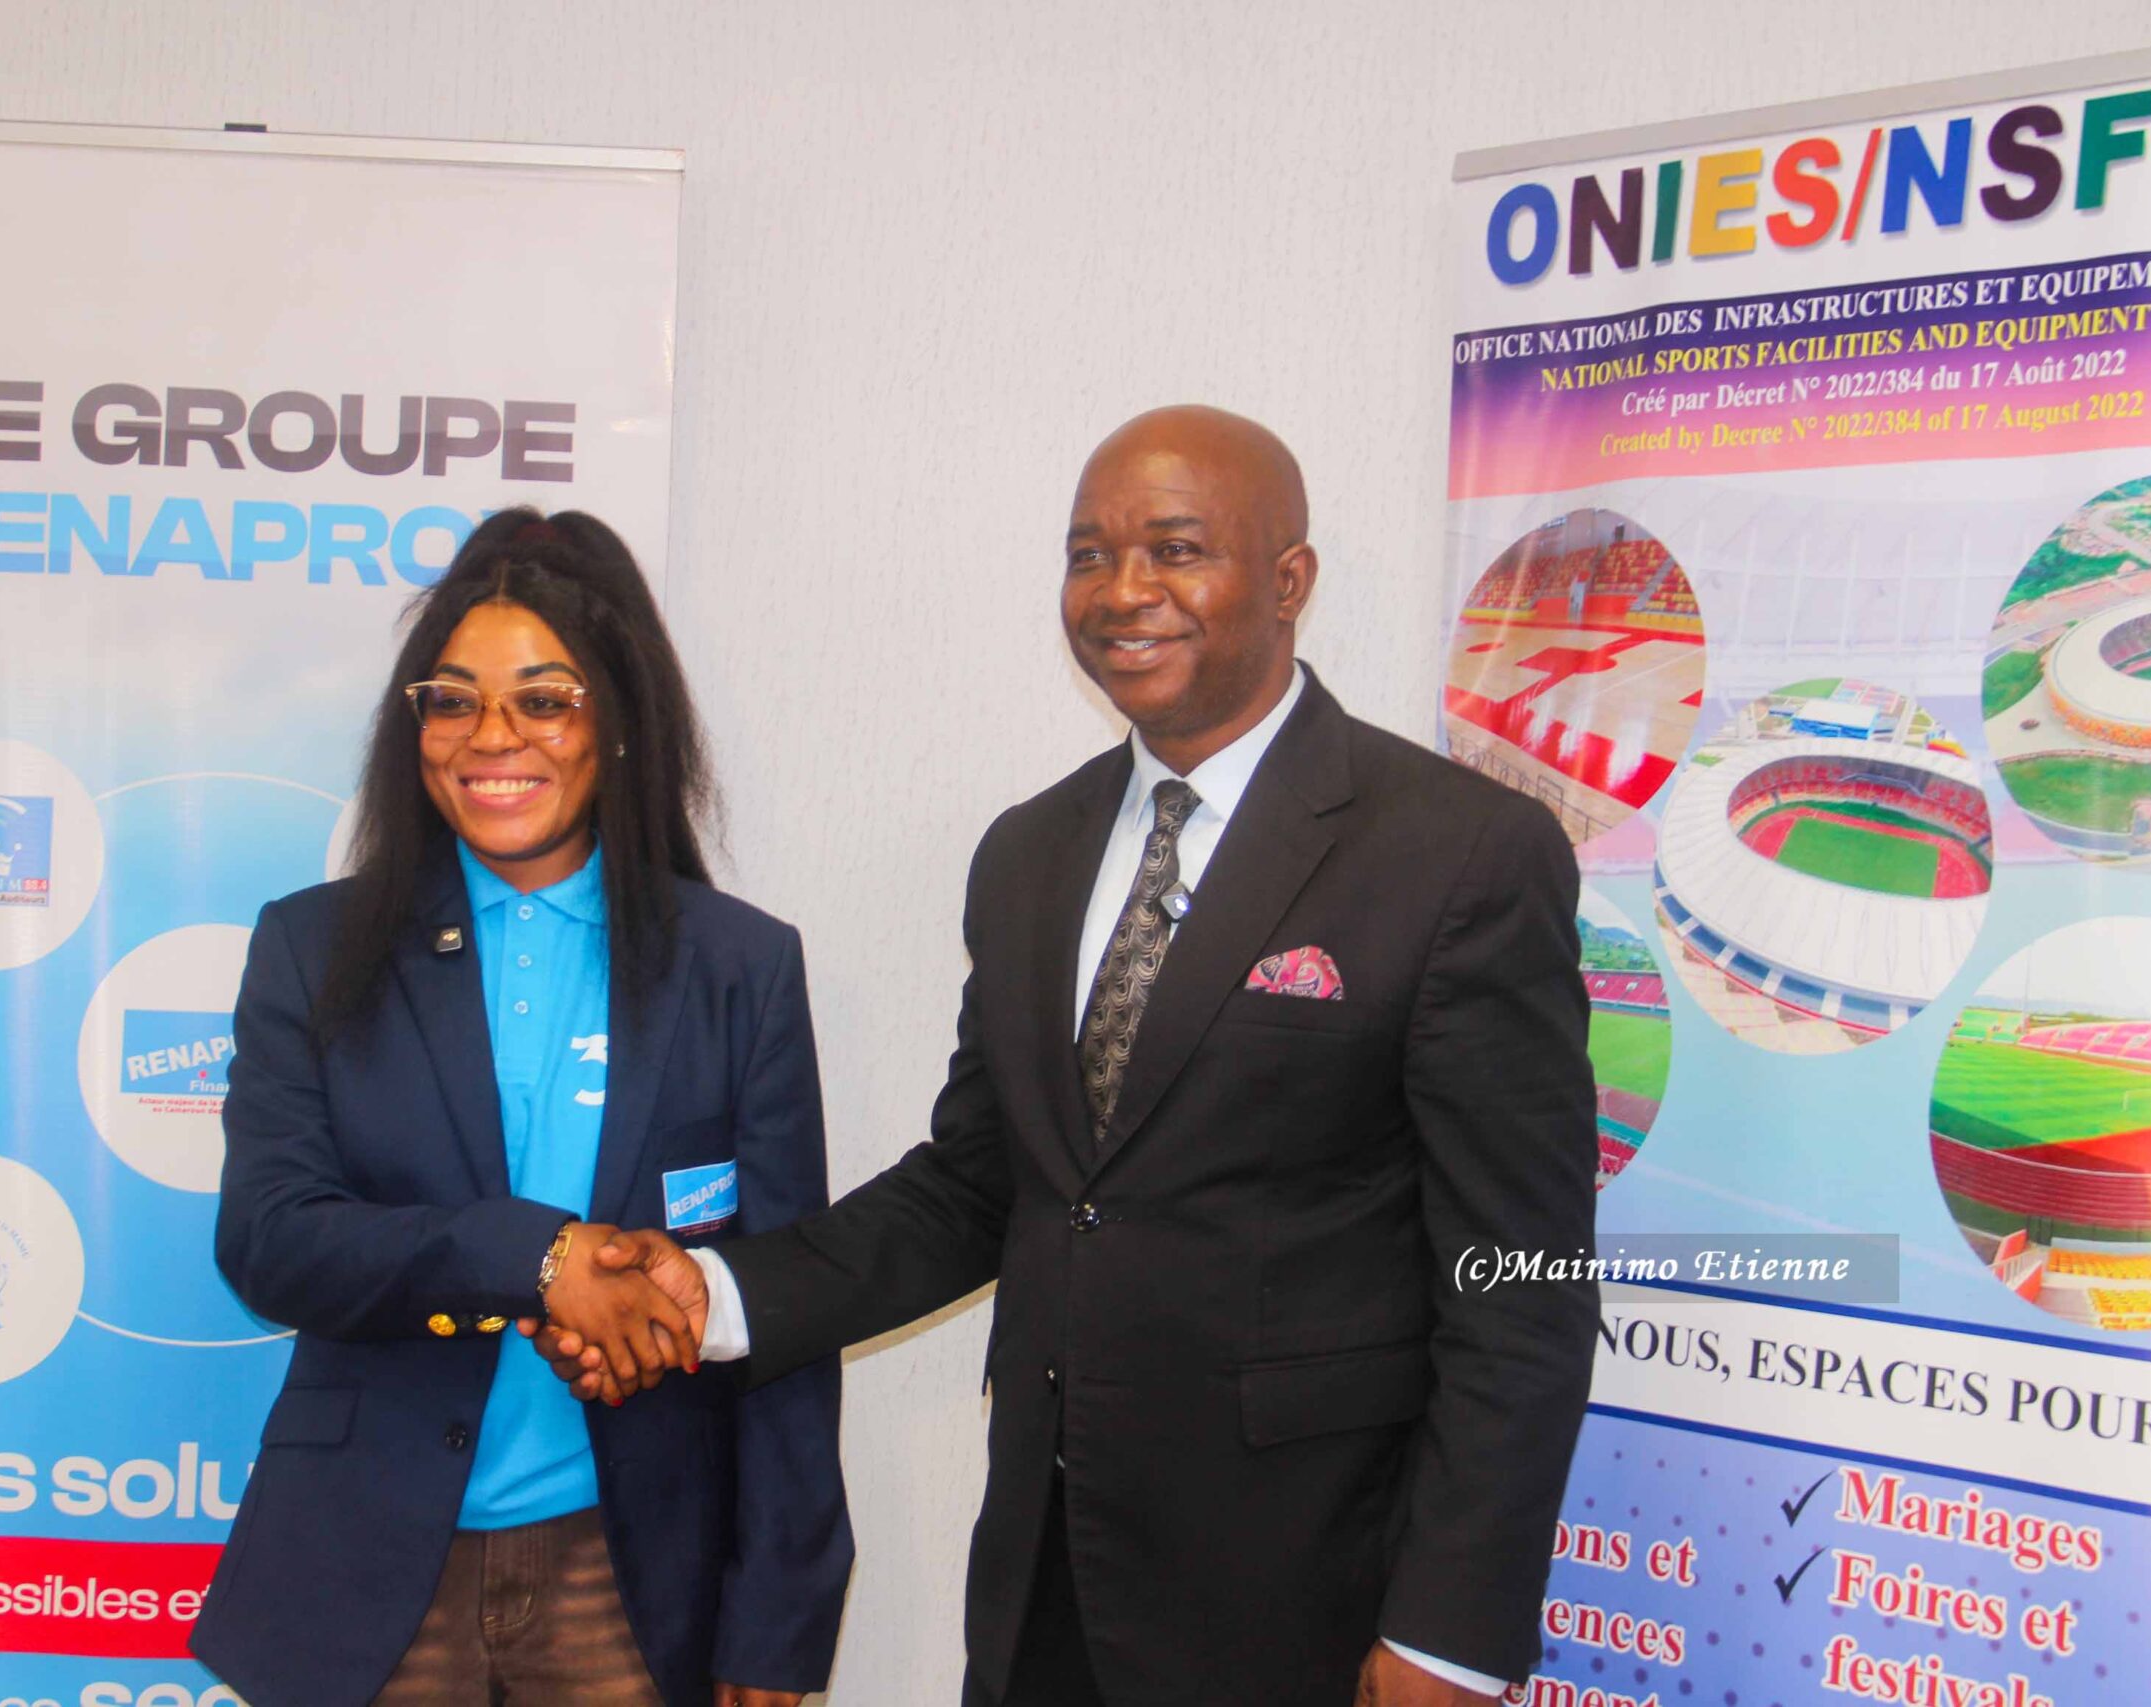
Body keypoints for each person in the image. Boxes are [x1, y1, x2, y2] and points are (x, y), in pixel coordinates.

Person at [549, 408, 1599, 1705]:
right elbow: (978, 1183)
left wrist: (1450, 1632)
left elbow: (1524, 1279)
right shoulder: (1029, 854)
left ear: (1289, 582)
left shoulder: (1460, 853)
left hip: (1311, 1598)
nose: (1122, 591)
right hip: (1045, 1583)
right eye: (1087, 553)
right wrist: (712, 1296)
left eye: (1176, 549)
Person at [192, 508, 854, 1706]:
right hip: (369, 1568)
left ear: (619, 721)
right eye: (452, 701)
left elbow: (786, 1301)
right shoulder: (312, 949)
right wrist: (538, 1257)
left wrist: (778, 1614)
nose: (493, 736)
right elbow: (270, 1241)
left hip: (632, 1573)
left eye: (544, 699)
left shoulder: (736, 966)